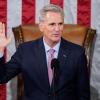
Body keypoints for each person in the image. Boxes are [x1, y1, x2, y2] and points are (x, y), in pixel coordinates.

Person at [0, 4, 90, 100]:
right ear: (41, 27)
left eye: (60, 24)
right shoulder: (25, 51)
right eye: (52, 24)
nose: (57, 29)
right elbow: (2, 77)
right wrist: (0, 49)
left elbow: (83, 94)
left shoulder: (77, 53)